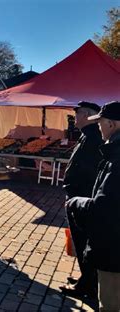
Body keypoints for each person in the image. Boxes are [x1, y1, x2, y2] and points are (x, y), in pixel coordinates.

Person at [66, 101, 120, 311]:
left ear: (112, 124)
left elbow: (105, 205)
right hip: (109, 238)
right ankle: (86, 282)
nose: (98, 126)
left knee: (110, 302)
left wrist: (78, 202)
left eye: (101, 122)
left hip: (113, 246)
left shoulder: (115, 156)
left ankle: (87, 284)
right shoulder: (109, 147)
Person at [60, 101, 103, 298]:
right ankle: (85, 278)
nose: (74, 118)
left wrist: (75, 195)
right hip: (78, 196)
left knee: (83, 240)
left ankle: (87, 285)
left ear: (87, 115)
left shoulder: (94, 137)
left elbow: (88, 170)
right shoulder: (88, 135)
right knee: (81, 241)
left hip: (82, 198)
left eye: (77, 114)